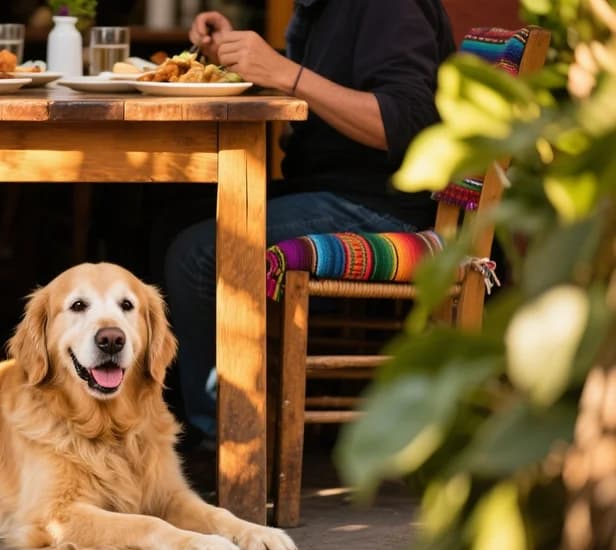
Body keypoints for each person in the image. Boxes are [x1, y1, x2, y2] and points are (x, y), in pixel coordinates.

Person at [163, 0, 456, 445]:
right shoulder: (317, 9)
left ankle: (224, 443)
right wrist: (235, 50)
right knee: (168, 214)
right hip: (327, 188)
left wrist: (283, 72)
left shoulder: (389, 7)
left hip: (386, 205)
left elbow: (404, 123)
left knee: (197, 253)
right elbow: (317, 79)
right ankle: (173, 420)